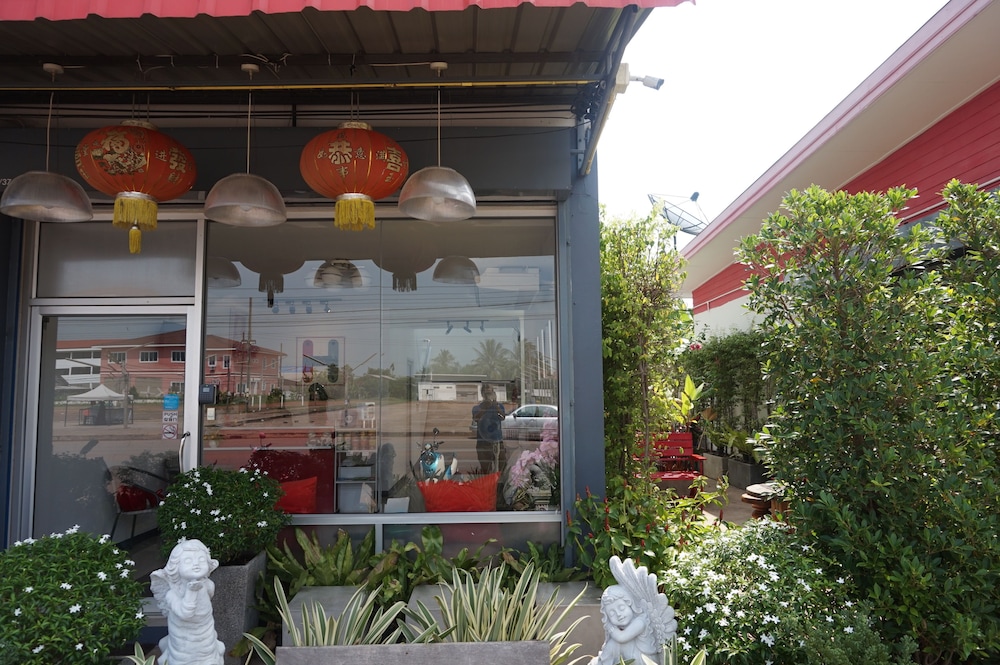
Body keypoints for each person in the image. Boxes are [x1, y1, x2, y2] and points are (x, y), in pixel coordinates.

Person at [150, 539, 226, 665]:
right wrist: (191, 592)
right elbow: (185, 614)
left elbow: (206, 604)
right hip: (183, 638)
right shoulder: (172, 593)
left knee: (208, 657)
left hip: (205, 632)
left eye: (201, 560)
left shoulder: (208, 585)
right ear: (175, 567)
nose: (196, 564)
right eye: (188, 561)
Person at [472, 385, 506, 473]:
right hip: (483, 442)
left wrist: (495, 405)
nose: (488, 396)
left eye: (490, 393)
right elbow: (476, 419)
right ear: (482, 394)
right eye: (486, 393)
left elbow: (502, 417)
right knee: (486, 470)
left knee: (501, 467)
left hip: (497, 441)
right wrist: (484, 408)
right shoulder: (477, 408)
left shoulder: (499, 406)